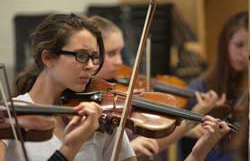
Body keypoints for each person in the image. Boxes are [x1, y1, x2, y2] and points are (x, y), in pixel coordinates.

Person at [88, 15, 231, 160]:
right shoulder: (90, 104)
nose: (119, 61)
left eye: (120, 52)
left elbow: (150, 142)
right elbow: (151, 143)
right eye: (111, 54)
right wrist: (190, 121)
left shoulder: (119, 94)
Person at [0, 13, 136, 161]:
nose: (90, 66)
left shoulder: (101, 115)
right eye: (81, 55)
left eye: (94, 57)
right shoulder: (9, 120)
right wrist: (71, 147)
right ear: (48, 57)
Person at [179, 11, 249, 161]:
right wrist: (188, 129)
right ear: (225, 45)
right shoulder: (200, 88)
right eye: (239, 45)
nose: (245, 53)